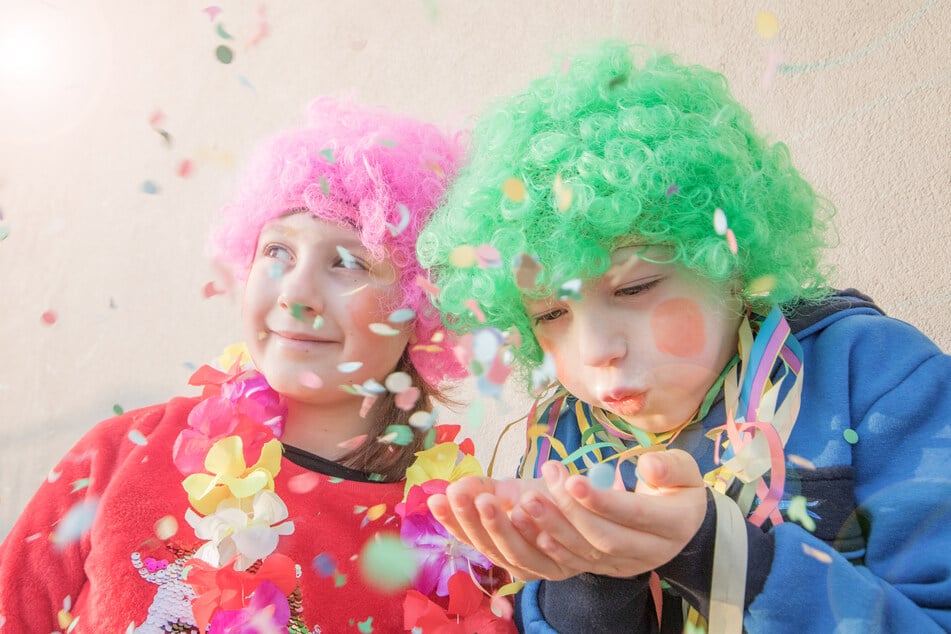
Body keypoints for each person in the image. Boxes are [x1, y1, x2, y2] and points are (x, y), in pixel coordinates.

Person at [416, 40, 951, 633]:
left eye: (634, 287)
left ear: (732, 262)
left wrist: (716, 550)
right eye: (549, 316)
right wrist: (595, 575)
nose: (596, 350)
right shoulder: (562, 439)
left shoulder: (875, 376)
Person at [0, 97, 517, 633]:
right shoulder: (119, 454)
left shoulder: (461, 542)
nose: (296, 295)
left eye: (349, 261)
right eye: (277, 252)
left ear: (425, 306)